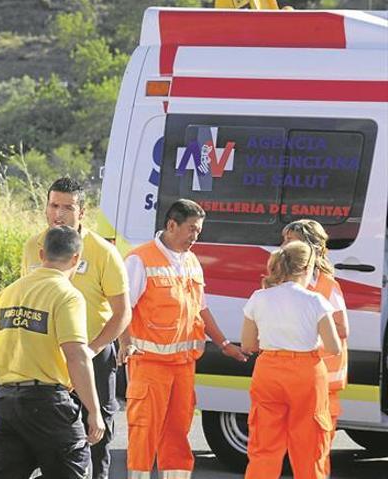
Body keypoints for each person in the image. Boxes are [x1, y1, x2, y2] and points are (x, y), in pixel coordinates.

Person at [120, 199, 248, 479]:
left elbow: (201, 307)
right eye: (192, 230)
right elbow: (123, 308)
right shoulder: (140, 259)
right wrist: (124, 342)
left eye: (199, 231)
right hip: (150, 366)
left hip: (183, 366)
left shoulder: (191, 261)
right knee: (144, 433)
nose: (195, 237)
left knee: (178, 434)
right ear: (171, 225)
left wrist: (224, 344)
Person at [21, 177, 131, 479]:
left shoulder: (102, 252)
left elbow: (122, 313)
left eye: (68, 207)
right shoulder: (34, 247)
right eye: (54, 205)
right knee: (52, 442)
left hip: (93, 355)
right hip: (49, 361)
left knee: (96, 435)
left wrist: (92, 349)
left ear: (82, 212)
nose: (59, 214)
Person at [0, 226, 105, 479]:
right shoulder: (67, 295)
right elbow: (76, 356)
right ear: (76, 259)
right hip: (47, 405)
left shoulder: (9, 292)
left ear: (41, 254)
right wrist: (94, 411)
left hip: (7, 403)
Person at [241, 241, 341, 479]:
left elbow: (247, 345)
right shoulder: (315, 301)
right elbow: (333, 347)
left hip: (268, 371)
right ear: (308, 268)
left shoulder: (258, 297)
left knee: (264, 448)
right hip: (306, 374)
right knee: (309, 449)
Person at [281, 219, 348, 457]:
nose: (283, 246)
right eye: (284, 240)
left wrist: (306, 335)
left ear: (310, 246)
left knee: (316, 450)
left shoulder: (327, 285)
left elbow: (341, 330)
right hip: (297, 377)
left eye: (290, 240)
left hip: (322, 378)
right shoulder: (283, 283)